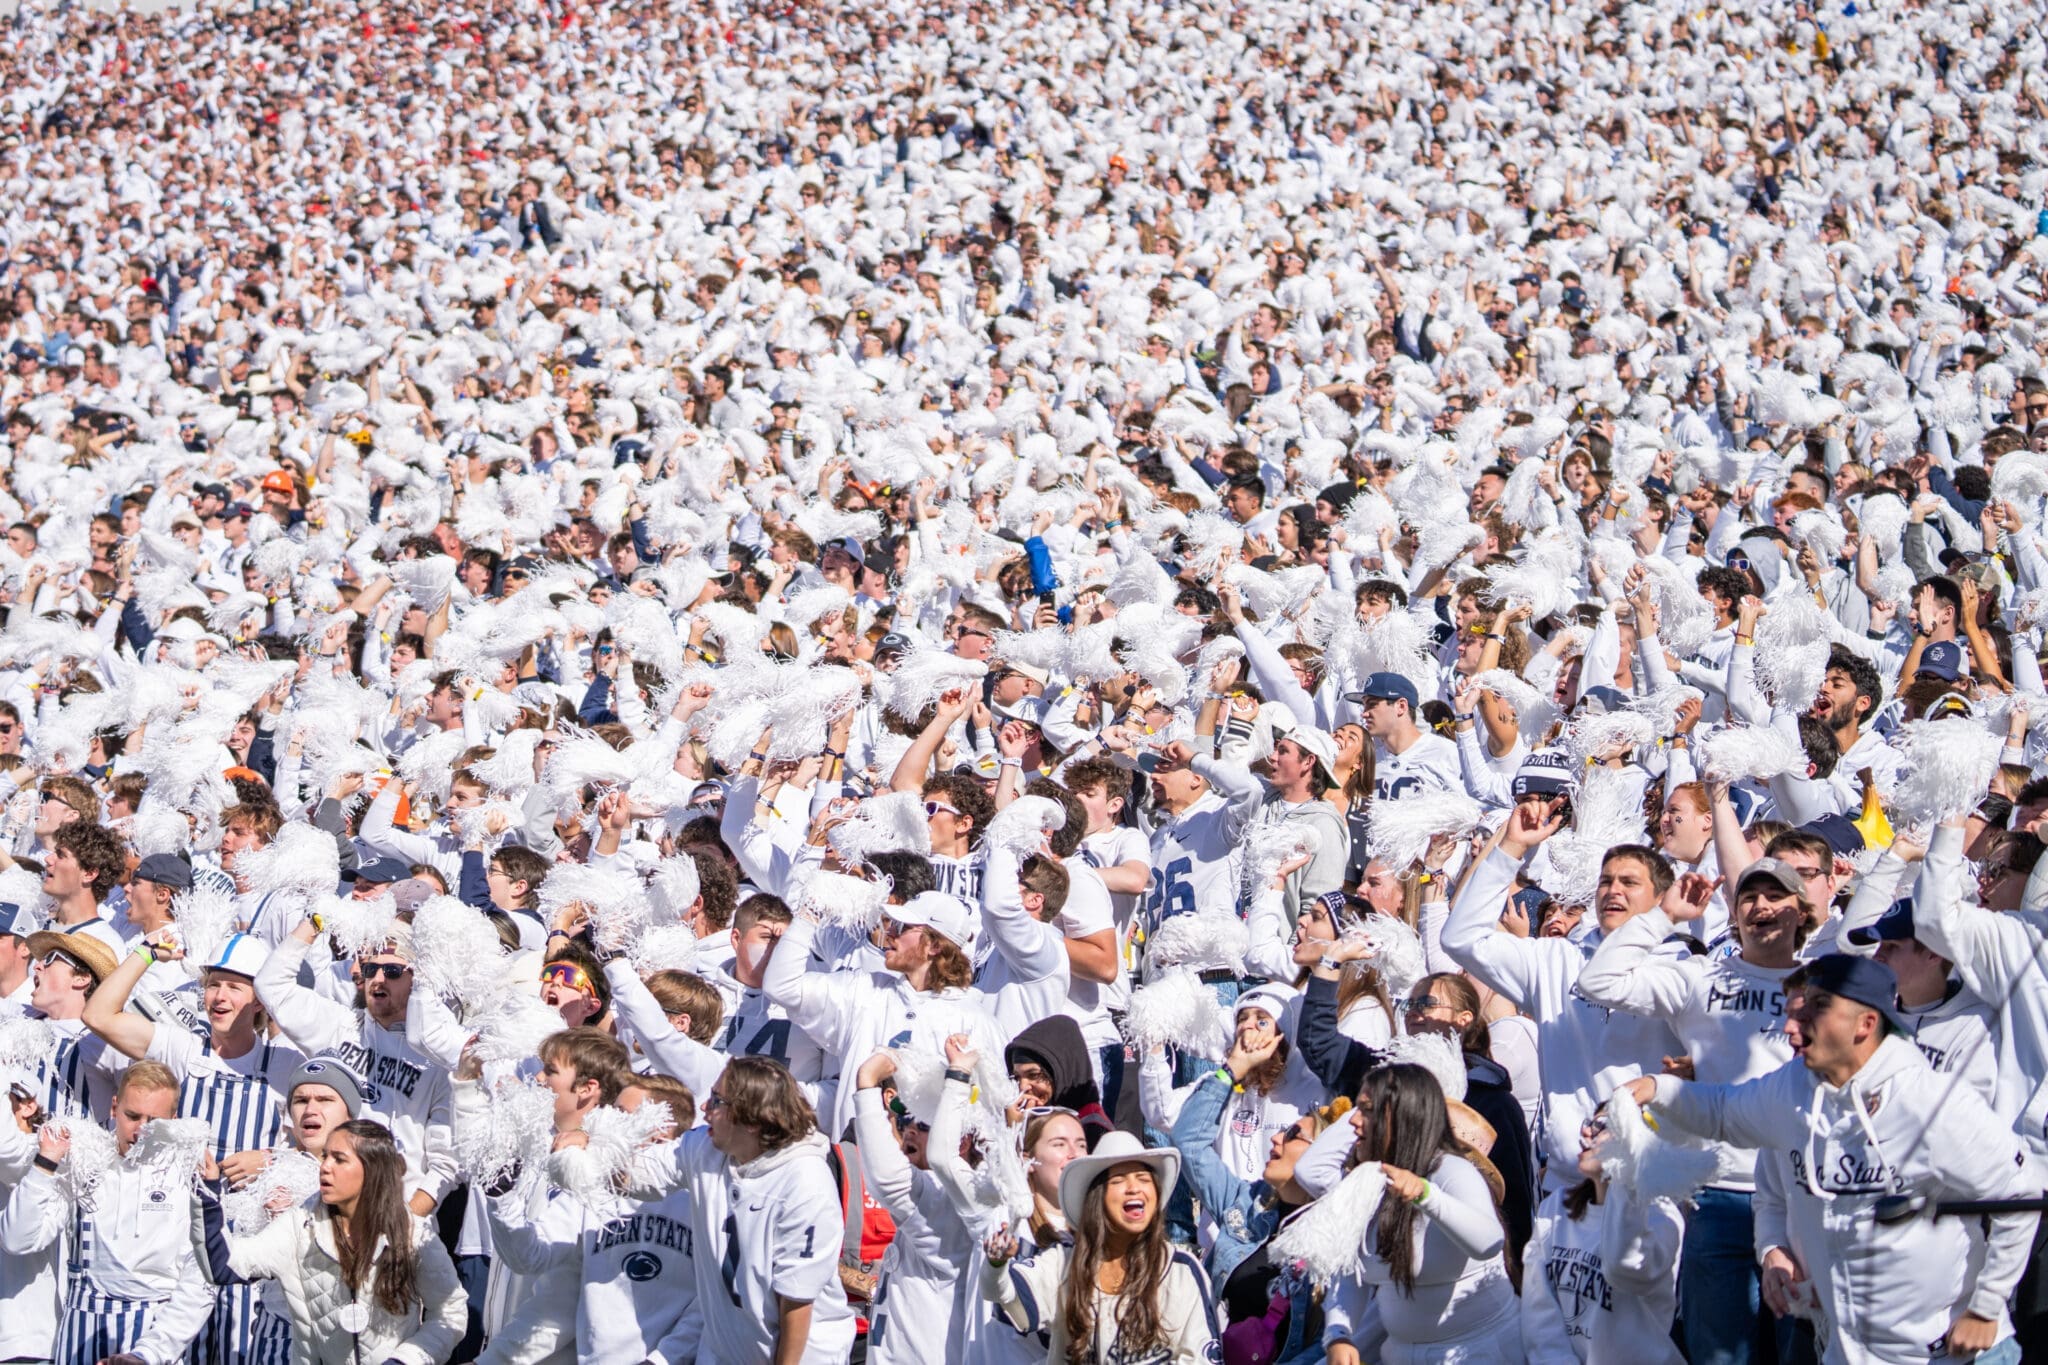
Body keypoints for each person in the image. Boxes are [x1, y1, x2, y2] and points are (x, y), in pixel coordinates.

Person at [1618, 954, 2037, 1365]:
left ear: (1866, 1024)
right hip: (1848, 1350)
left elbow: (2019, 1194)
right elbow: (1724, 1112)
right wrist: (1657, 1089)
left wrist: (1985, 1306)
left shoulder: (1930, 1103)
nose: (1790, 1030)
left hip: (1951, 1354)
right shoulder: (1794, 1089)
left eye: (1811, 1013)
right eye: (1790, 1014)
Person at [620, 1056, 856, 1363]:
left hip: (800, 1354)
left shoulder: (806, 1183)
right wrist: (590, 1147)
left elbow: (796, 1306)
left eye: (717, 1100)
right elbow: (637, 1175)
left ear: (753, 1120)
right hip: (725, 1350)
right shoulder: (706, 1148)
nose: (704, 1108)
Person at [195, 1117, 468, 1364]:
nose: (324, 1167)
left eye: (339, 1159)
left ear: (372, 1170)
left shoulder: (414, 1233)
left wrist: (405, 1361)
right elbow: (223, 1266)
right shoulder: (300, 1224)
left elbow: (451, 1313)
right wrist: (205, 1197)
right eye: (325, 1156)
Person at [1, 1061, 215, 1365]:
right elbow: (17, 1240)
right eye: (132, 1116)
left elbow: (200, 1282)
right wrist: (44, 1164)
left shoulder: (190, 1176)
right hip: (79, 1334)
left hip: (153, 1335)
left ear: (173, 1120)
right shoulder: (85, 1161)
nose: (141, 1130)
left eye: (153, 1120)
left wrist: (149, 1354)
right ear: (114, 1107)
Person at [981, 1130, 1219, 1364]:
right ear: (1097, 1197)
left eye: (1144, 1179)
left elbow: (1202, 1357)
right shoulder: (1063, 1263)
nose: (1134, 1188)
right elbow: (1002, 1292)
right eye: (1119, 1180)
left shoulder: (1183, 1271)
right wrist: (997, 1264)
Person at [1519, 1103, 1684, 1364]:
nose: (1586, 1132)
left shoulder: (1662, 1217)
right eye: (1589, 1122)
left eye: (1602, 1125)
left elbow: (1624, 1265)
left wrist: (1625, 1174)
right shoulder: (1557, 1206)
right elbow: (1537, 1307)